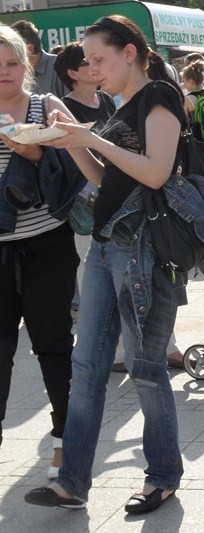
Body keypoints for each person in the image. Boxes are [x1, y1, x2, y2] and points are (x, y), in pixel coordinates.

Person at [24, 15, 187, 513]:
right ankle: (71, 482)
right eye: (88, 62)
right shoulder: (122, 106)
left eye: (99, 60)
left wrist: (92, 139)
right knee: (87, 366)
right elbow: (107, 178)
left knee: (145, 368)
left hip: (143, 250)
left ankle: (162, 476)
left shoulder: (160, 97)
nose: (92, 71)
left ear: (130, 53)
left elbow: (156, 175)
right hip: (105, 244)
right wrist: (75, 143)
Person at [0, 23, 79, 485]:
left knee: (53, 347)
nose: (5, 72)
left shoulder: (46, 106)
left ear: (27, 65)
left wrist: (32, 152)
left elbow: (74, 172)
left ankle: (65, 447)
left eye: (12, 63)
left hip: (47, 244)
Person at [10, 20, 68, 97]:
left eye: (12, 49)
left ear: (29, 49)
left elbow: (71, 104)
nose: (8, 54)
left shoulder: (60, 66)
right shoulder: (11, 71)